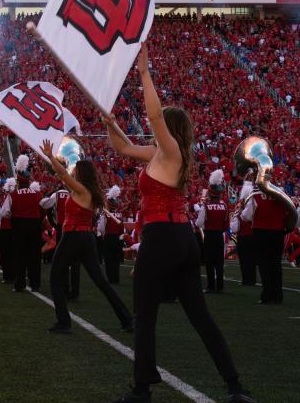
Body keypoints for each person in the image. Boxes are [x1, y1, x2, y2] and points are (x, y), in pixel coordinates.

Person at [104, 44, 251, 403]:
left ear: (170, 131)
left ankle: (141, 389)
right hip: (182, 237)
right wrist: (111, 125)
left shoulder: (169, 152)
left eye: (161, 127)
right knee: (200, 317)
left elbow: (153, 118)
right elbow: (122, 149)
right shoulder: (164, 155)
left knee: (145, 316)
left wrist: (143, 73)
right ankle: (234, 386)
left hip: (162, 235)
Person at [40, 140, 132, 335]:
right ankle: (126, 318)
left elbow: (63, 174)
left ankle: (64, 322)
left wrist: (50, 156)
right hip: (86, 238)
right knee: (101, 281)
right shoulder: (88, 191)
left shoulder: (81, 190)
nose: (72, 172)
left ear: (81, 174)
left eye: (76, 171)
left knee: (55, 277)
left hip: (73, 236)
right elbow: (63, 175)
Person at [1, 154, 43, 293]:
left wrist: (16, 214)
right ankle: (35, 284)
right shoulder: (37, 194)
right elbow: (43, 207)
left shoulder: (13, 195)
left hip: (18, 226)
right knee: (34, 256)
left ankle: (20, 284)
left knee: (20, 256)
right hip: (35, 227)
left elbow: (4, 213)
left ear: (19, 181)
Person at [241, 179, 287, 305]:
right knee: (276, 265)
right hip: (278, 232)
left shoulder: (255, 196)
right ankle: (278, 296)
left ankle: (267, 295)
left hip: (261, 232)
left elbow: (246, 216)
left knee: (264, 265)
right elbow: (289, 212)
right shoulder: (281, 195)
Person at [41, 181, 81, 297]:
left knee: (62, 258)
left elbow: (45, 205)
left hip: (61, 227)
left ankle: (64, 288)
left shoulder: (57, 194)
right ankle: (75, 291)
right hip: (76, 228)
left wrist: (47, 196)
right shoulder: (77, 193)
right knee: (75, 262)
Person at [197, 170, 230, 294]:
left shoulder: (205, 206)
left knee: (209, 262)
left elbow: (198, 223)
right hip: (219, 236)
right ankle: (220, 286)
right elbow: (226, 225)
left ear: (210, 195)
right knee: (219, 262)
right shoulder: (224, 206)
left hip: (209, 236)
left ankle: (211, 286)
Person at [98, 185, 126, 285]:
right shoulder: (120, 214)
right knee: (116, 260)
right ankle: (116, 279)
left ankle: (111, 279)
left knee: (109, 260)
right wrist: (121, 241)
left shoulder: (105, 214)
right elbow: (122, 230)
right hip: (118, 239)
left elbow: (100, 228)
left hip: (109, 238)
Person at [231, 182, 257, 286]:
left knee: (244, 260)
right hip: (253, 237)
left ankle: (246, 280)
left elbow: (234, 229)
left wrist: (234, 217)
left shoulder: (240, 213)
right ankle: (253, 279)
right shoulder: (254, 210)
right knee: (252, 260)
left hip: (243, 238)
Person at [0, 178, 16, 283]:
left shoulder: (6, 200)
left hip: (6, 230)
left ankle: (7, 276)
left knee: (6, 255)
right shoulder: (17, 197)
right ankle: (15, 274)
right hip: (15, 230)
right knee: (14, 254)